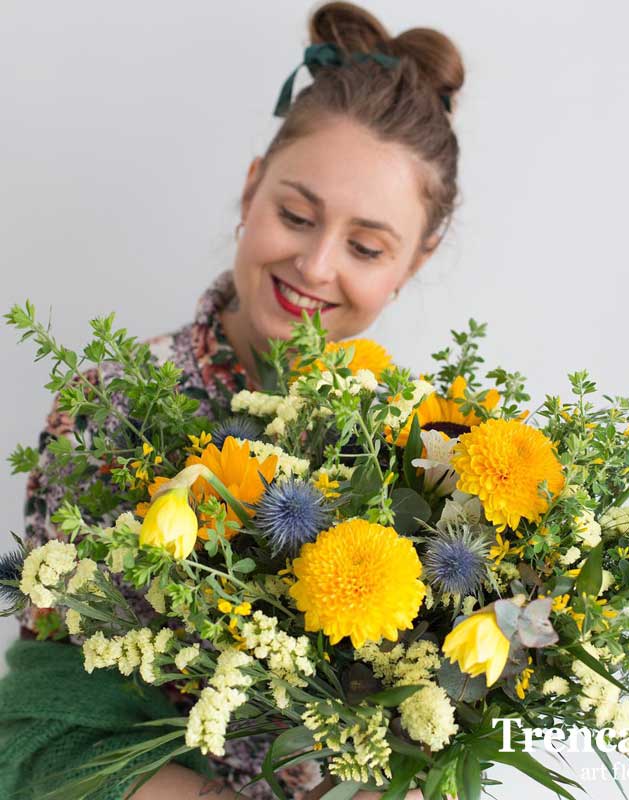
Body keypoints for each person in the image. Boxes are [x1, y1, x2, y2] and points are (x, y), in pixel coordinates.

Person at [0, 2, 464, 798]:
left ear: (414, 262)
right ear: (252, 191)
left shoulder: (425, 451)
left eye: (364, 246)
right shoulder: (112, 413)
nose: (316, 266)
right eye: (296, 216)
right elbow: (44, 735)